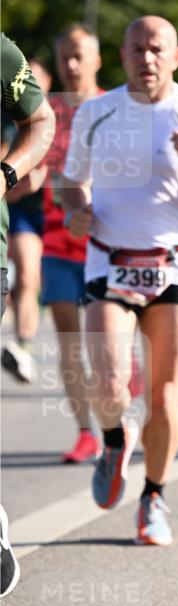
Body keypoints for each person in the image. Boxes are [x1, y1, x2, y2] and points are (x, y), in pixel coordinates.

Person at [62, 16, 178, 545]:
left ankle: (154, 498)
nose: (147, 58)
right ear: (123, 54)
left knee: (164, 397)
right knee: (109, 382)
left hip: (173, 265)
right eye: (137, 48)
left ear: (176, 56)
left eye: (157, 48)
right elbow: (72, 184)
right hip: (110, 261)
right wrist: (78, 211)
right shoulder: (97, 112)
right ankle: (115, 440)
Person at [1, 32, 56, 596]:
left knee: (29, 267)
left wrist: (6, 173)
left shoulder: (2, 54)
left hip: (16, 229)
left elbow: (41, 125)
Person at [40, 23, 106, 463]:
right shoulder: (44, 112)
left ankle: (125, 388)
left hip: (107, 242)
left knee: (106, 343)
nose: (71, 64)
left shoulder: (115, 108)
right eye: (64, 56)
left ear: (98, 59)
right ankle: (86, 432)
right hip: (57, 241)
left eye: (79, 55)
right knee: (69, 341)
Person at [1, 59, 52, 383]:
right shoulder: (8, 121)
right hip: (23, 212)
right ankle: (24, 347)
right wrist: (16, 181)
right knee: (28, 276)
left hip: (57, 214)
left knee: (43, 287)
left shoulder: (59, 117)